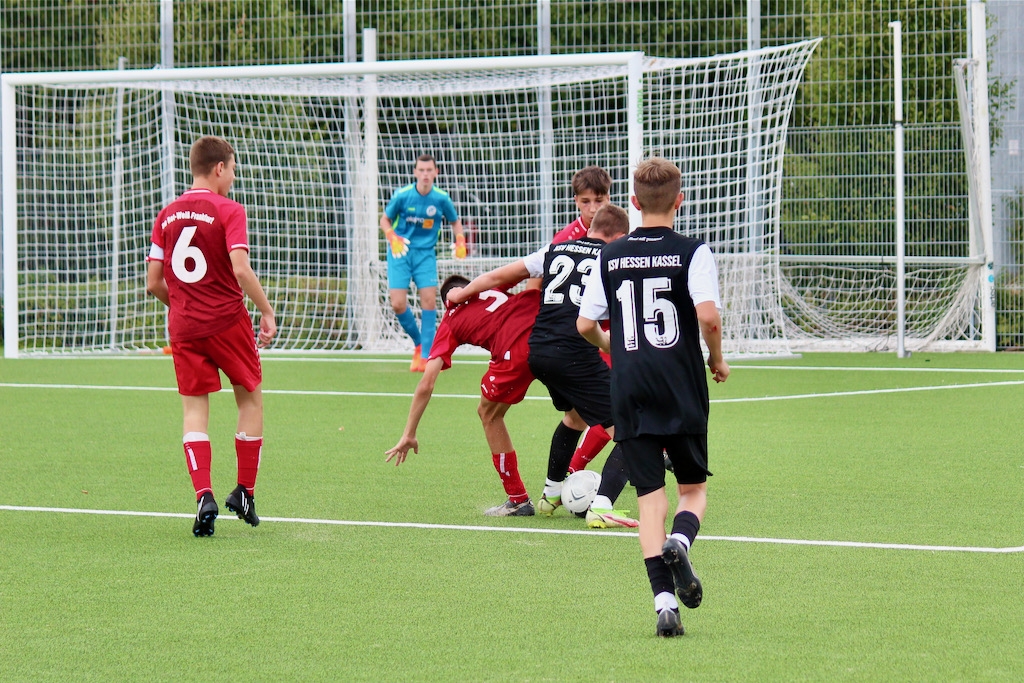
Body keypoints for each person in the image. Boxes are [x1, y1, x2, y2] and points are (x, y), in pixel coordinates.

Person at [577, 156, 729, 638]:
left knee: (649, 501)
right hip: (679, 384)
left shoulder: (610, 255)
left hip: (630, 387)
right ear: (679, 201)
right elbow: (708, 317)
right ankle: (681, 541)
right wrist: (717, 359)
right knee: (693, 490)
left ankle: (664, 604)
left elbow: (585, 323)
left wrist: (613, 347)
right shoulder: (692, 252)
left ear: (634, 203)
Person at [448, 204, 637, 529]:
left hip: (539, 352)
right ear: (619, 237)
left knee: (575, 417)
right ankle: (603, 506)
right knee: (633, 431)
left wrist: (461, 294)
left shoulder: (554, 249)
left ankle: (551, 495)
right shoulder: (612, 259)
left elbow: (498, 276)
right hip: (574, 354)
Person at [146, 135, 277, 537]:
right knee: (250, 397)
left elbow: (153, 283)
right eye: (233, 169)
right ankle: (244, 491)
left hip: (184, 326)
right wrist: (266, 311)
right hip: (226, 321)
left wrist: (184, 305)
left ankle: (204, 495)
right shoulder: (229, 209)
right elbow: (240, 268)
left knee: (193, 411)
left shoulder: (166, 215)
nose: (233, 177)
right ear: (220, 168)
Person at [385, 275, 540, 516]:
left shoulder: (450, 319)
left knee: (488, 414)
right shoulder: (491, 286)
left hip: (515, 351)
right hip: (550, 333)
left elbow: (427, 384)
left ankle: (518, 499)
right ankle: (571, 479)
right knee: (581, 409)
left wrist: (409, 433)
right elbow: (532, 272)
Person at [380, 154, 466, 373]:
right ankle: (419, 343)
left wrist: (460, 240)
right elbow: (384, 220)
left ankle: (426, 354)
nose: (425, 174)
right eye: (421, 170)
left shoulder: (441, 198)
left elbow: (455, 222)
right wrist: (391, 237)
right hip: (400, 252)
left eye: (429, 170)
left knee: (429, 301)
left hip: (425, 254)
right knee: (397, 304)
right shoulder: (402, 195)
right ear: (415, 172)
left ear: (436, 173)